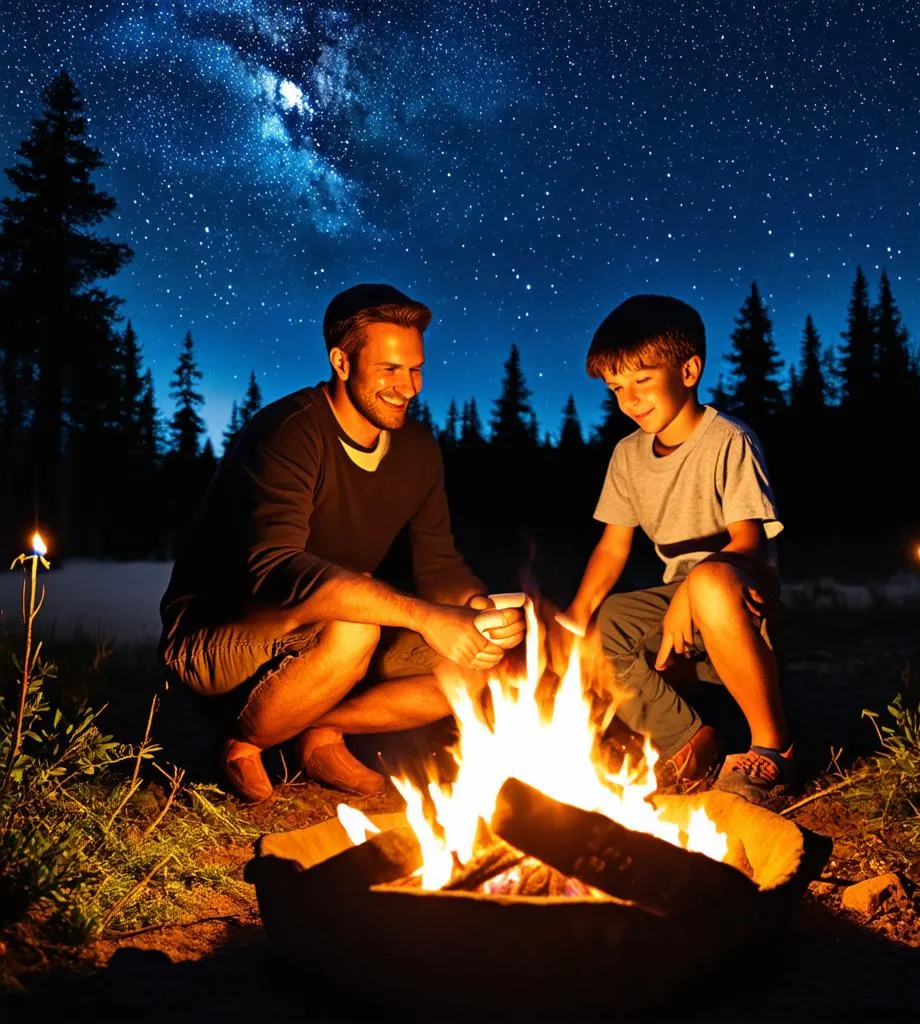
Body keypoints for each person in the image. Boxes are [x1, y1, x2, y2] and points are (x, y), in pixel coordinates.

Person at [158, 283, 526, 803]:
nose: (409, 387)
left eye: (416, 368)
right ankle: (241, 744)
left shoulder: (418, 449)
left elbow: (439, 562)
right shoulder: (287, 432)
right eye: (390, 370)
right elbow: (276, 570)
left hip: (336, 629)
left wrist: (473, 608)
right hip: (219, 629)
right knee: (357, 627)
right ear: (342, 361)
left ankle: (315, 729)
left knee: (471, 664)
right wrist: (425, 618)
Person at [555, 294, 792, 806]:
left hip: (742, 595)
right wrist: (574, 617)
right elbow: (613, 546)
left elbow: (751, 545)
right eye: (617, 387)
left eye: (642, 380)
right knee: (607, 622)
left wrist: (693, 588)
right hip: (680, 601)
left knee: (705, 584)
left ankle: (773, 748)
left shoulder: (728, 440)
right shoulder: (627, 455)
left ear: (688, 370)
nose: (630, 399)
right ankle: (689, 742)